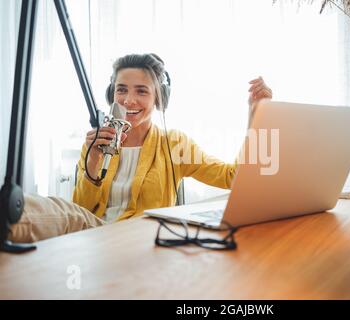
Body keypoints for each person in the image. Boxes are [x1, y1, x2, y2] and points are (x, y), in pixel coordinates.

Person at [8, 53, 272, 242]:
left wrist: (257, 115)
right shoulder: (98, 142)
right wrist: (92, 164)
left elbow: (234, 178)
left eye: (142, 91)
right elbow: (82, 210)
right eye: (121, 89)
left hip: (136, 239)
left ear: (159, 98)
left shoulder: (174, 144)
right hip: (95, 234)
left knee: (54, 212)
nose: (129, 99)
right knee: (55, 210)